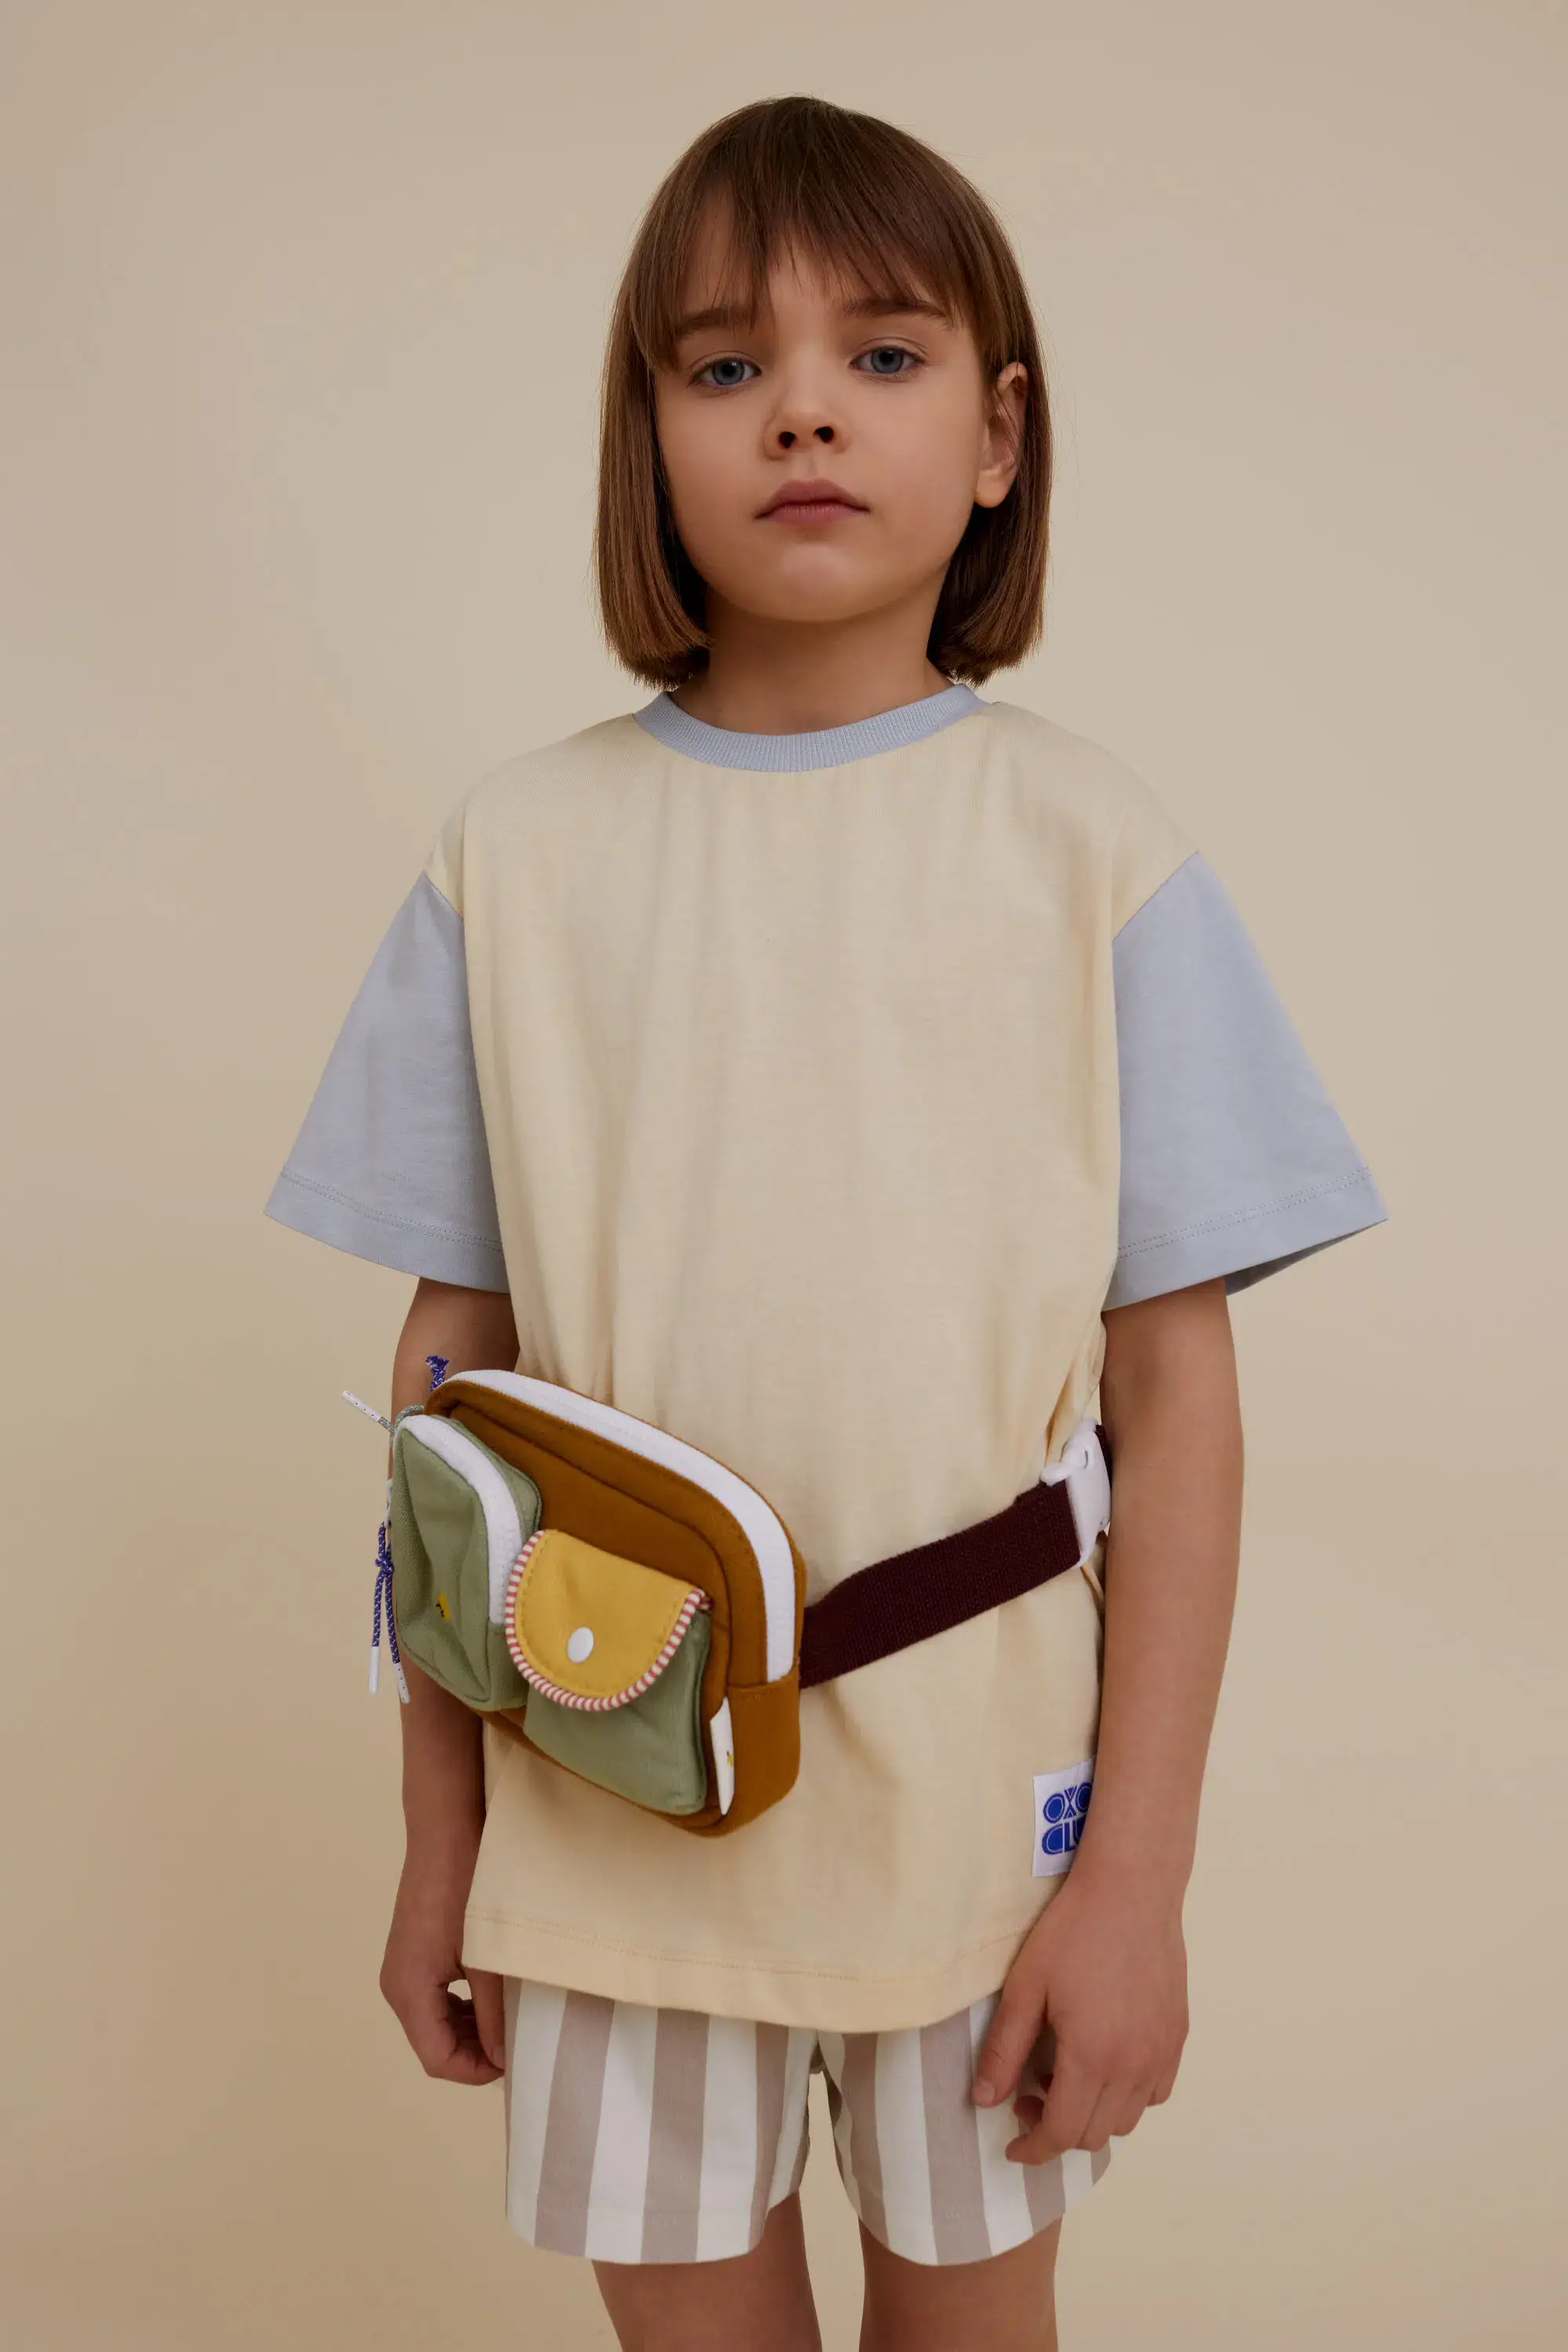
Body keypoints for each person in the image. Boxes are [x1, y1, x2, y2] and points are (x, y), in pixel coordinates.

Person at [265, 95, 1385, 2352]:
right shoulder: (515, 860)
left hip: (986, 1802)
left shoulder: (1092, 851)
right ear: (647, 436)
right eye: (723, 364)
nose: (801, 409)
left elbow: (1178, 1403)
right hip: (606, 1782)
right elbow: (447, 1399)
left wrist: (1136, 1880)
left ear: (999, 437)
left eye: (882, 354)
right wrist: (440, 1839)